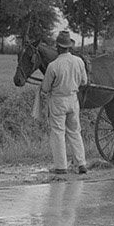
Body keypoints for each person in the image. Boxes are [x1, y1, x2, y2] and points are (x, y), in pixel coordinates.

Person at [40, 30, 88, 176]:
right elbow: (84, 81)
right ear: (69, 46)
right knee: (75, 132)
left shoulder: (53, 65)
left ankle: (61, 166)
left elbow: (46, 88)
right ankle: (81, 164)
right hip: (73, 99)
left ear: (58, 47)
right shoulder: (79, 61)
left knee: (58, 133)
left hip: (58, 101)